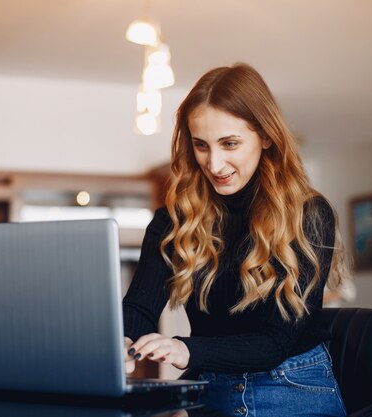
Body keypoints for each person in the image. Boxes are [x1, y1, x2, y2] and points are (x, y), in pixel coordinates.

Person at [122, 63, 348, 417]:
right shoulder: (174, 218)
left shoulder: (309, 214)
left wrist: (186, 350)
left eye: (230, 143)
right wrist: (124, 341)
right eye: (201, 145)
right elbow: (139, 307)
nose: (214, 164)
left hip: (290, 386)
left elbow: (276, 340)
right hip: (211, 387)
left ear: (266, 136)